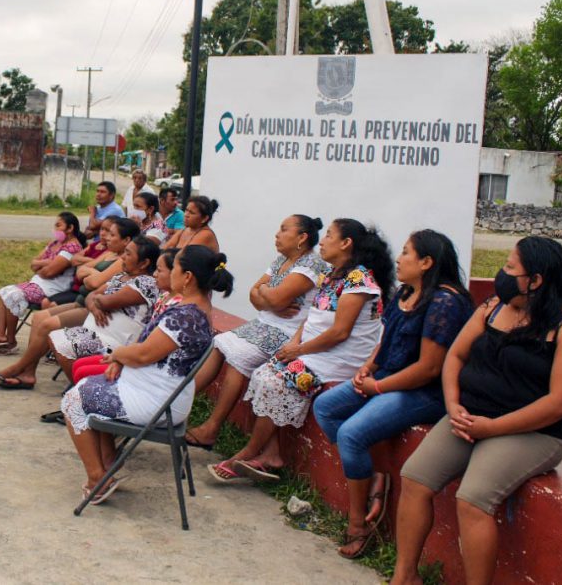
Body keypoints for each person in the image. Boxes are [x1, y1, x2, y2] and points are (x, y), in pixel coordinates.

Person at [391, 237, 562, 585]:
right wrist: (454, 404)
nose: (501, 274)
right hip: (470, 418)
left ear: (536, 280)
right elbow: (455, 357)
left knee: (473, 500)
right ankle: (405, 576)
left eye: (509, 268)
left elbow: (560, 403)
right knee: (415, 477)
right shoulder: (492, 307)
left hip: (531, 432)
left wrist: (494, 427)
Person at [313, 229, 474, 559]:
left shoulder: (444, 302)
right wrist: (368, 367)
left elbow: (430, 368)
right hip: (386, 377)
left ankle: (359, 525)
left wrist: (379, 387)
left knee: (351, 433)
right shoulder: (407, 291)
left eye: (406, 253)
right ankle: (374, 474)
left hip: (425, 392)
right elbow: (387, 338)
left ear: (427, 262)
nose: (398, 259)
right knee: (326, 407)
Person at [209, 218, 393, 483]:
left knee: (275, 381)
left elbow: (340, 332)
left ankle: (249, 451)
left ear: (346, 243)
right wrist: (294, 345)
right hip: (316, 352)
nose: (324, 240)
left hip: (339, 359)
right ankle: (270, 454)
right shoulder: (331, 275)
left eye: (329, 235)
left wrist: (300, 350)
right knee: (263, 373)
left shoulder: (358, 279)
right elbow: (311, 318)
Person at [62, 245, 233, 501]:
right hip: (157, 392)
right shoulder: (195, 311)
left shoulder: (186, 317)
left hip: (155, 401)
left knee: (72, 401)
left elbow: (143, 354)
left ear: (187, 277)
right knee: (91, 385)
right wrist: (121, 360)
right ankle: (108, 464)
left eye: (173, 268)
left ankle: (97, 479)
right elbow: (148, 350)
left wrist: (119, 355)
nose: (166, 272)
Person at [186, 215, 328, 449]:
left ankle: (211, 428)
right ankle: (176, 406)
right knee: (219, 343)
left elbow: (275, 296)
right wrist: (268, 297)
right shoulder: (281, 260)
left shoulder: (311, 265)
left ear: (302, 237)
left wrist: (268, 295)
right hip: (263, 325)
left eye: (284, 229)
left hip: (287, 332)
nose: (277, 234)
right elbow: (254, 295)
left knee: (238, 356)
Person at [0, 218, 139, 386]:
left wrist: (90, 273)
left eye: (112, 234)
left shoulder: (120, 261)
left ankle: (19, 368)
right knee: (38, 318)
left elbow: (93, 283)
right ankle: (28, 373)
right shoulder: (109, 253)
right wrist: (92, 273)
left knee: (46, 325)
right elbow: (80, 272)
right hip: (84, 300)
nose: (106, 237)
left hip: (91, 308)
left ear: (126, 240)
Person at [49, 237, 162, 379]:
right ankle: (82, 383)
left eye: (128, 254)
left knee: (62, 343)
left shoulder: (146, 283)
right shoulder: (121, 276)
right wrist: (95, 307)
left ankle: (82, 384)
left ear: (144, 263)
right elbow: (92, 295)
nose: (122, 257)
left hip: (115, 342)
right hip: (95, 332)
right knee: (55, 338)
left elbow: (108, 302)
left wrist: (98, 301)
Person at [0, 213, 84, 353]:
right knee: (5, 292)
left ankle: (9, 341)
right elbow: (34, 263)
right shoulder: (55, 243)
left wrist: (43, 267)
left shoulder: (72, 248)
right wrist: (46, 263)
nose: (55, 229)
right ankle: (1, 336)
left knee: (14, 295)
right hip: (38, 283)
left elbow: (49, 273)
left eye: (59, 225)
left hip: (53, 288)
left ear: (70, 228)